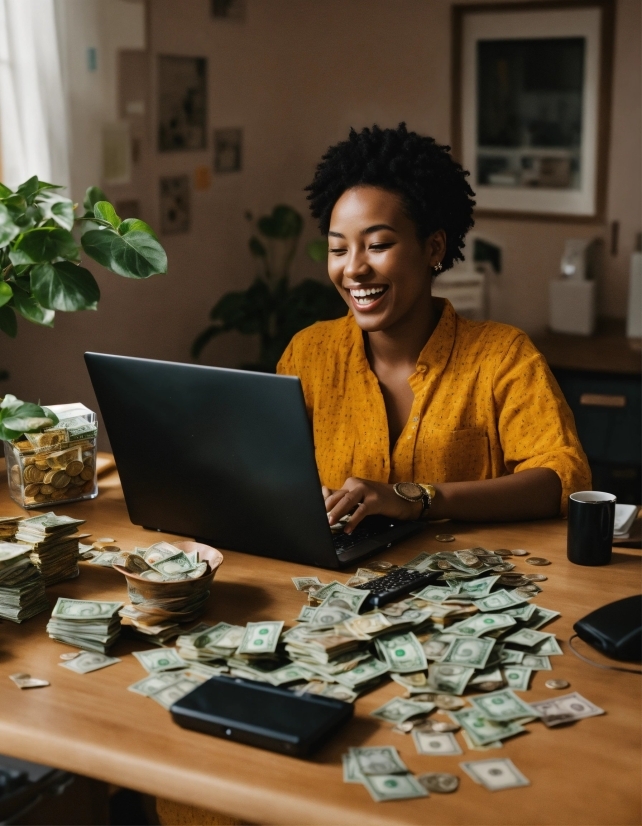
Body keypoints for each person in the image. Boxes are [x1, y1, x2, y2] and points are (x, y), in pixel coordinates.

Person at [277, 123, 590, 534]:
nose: (352, 267)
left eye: (378, 245)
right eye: (338, 248)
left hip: (465, 589)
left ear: (434, 248)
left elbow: (563, 479)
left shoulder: (502, 356)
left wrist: (419, 498)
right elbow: (271, 469)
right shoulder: (309, 353)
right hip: (340, 582)